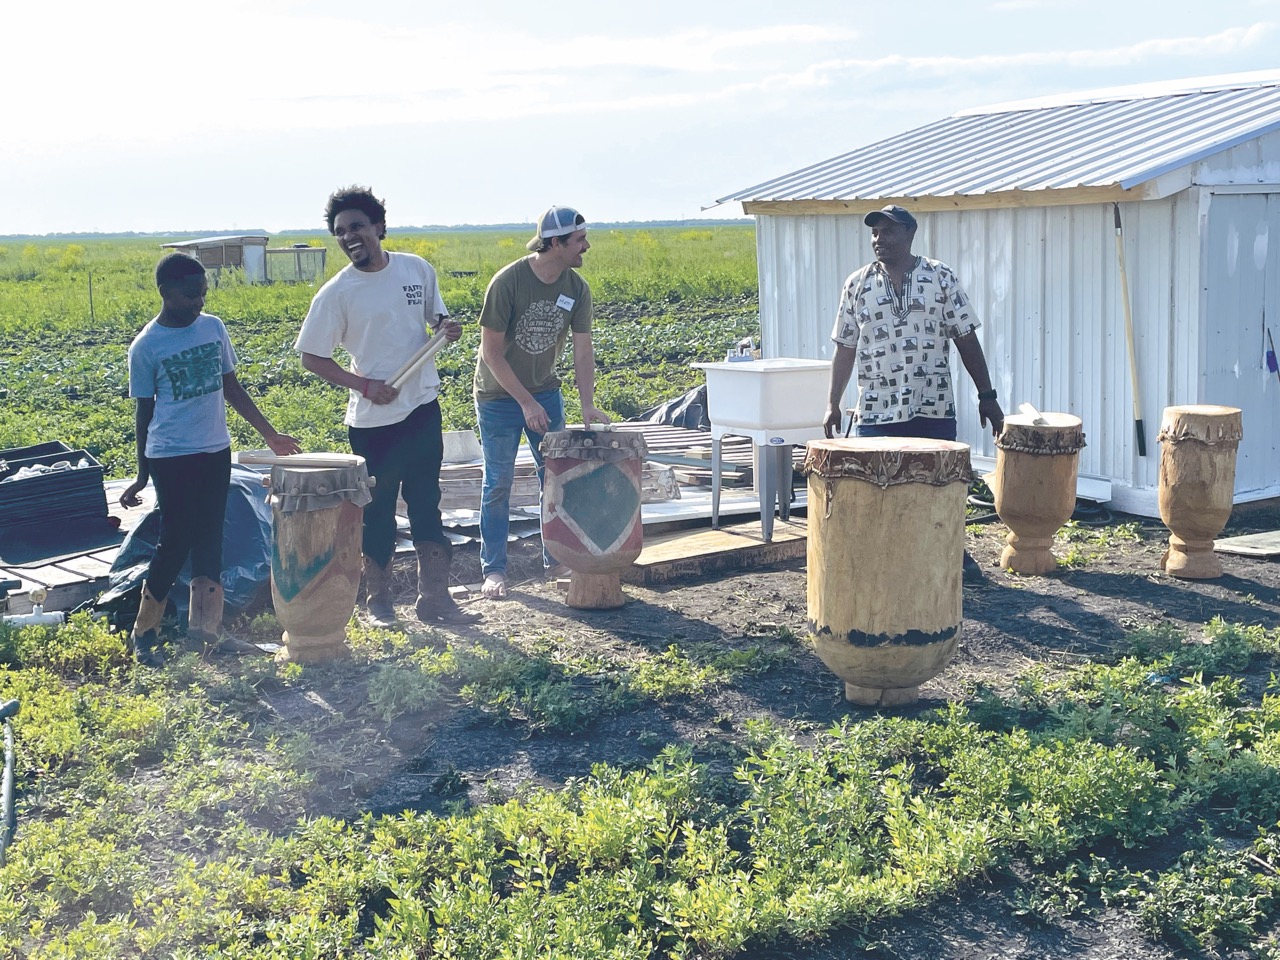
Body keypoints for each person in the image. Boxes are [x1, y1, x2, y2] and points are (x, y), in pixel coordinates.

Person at [296, 185, 478, 627]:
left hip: (420, 406)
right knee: (377, 511)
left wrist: (444, 328)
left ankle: (434, 598)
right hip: (374, 420)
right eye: (340, 231)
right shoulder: (337, 293)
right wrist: (363, 385)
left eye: (357, 226)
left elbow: (436, 319)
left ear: (379, 227)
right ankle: (378, 602)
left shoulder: (416, 269)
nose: (349, 236)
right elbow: (311, 357)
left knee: (425, 501)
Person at [121, 253, 301, 666]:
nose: (199, 302)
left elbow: (231, 388)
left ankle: (205, 632)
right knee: (174, 541)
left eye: (203, 293)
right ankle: (144, 633)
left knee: (209, 538)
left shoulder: (213, 328)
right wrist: (141, 474)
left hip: (214, 450)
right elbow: (143, 414)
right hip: (171, 455)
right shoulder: (147, 346)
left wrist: (269, 434)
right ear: (165, 293)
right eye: (190, 295)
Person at [822, 204, 1005, 581]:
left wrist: (987, 395)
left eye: (888, 232)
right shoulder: (857, 284)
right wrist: (833, 403)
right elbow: (845, 346)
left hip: (932, 404)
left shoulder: (939, 277)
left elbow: (965, 337)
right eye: (875, 233)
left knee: (939, 487)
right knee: (878, 490)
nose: (879, 240)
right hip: (875, 409)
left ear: (910, 234)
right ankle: (886, 567)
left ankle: (951, 557)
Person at [473, 206, 609, 599]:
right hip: (499, 396)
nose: (586, 246)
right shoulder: (508, 282)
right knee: (497, 482)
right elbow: (491, 354)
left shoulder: (576, 288)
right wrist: (526, 403)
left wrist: (587, 404)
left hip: (546, 391)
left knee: (555, 477)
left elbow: (583, 352)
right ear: (555, 243)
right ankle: (494, 569)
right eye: (579, 240)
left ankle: (557, 560)